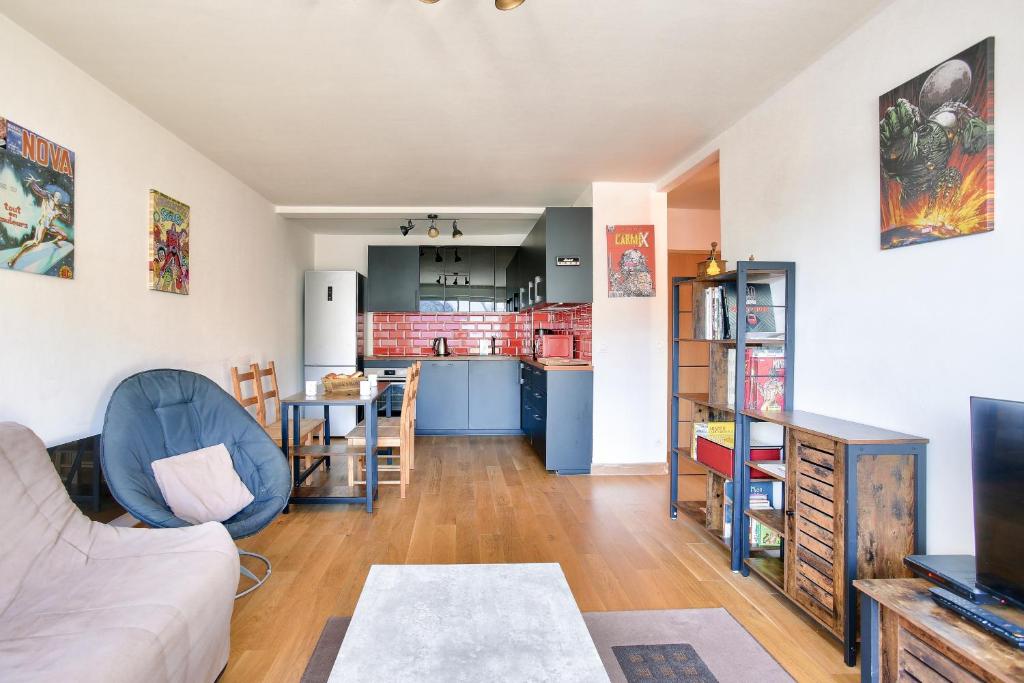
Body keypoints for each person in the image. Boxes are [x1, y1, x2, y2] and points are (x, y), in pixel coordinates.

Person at [6, 175, 71, 268]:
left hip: (50, 226)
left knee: (64, 235)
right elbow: (39, 191)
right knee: (36, 242)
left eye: (60, 200)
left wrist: (68, 210)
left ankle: (55, 242)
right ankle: (14, 258)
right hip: (42, 224)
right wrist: (33, 183)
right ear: (54, 196)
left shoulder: (58, 209)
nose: (58, 200)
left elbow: (68, 220)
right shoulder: (48, 197)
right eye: (57, 198)